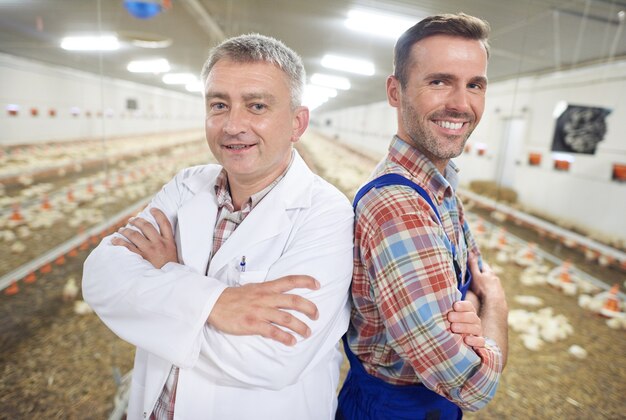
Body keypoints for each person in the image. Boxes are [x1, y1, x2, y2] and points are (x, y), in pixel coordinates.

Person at [82, 34, 356, 419]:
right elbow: (99, 277)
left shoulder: (325, 213)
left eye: (256, 105)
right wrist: (215, 303)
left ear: (297, 123)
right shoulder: (186, 186)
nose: (233, 125)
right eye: (219, 105)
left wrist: (164, 281)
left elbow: (273, 357)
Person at [337, 13, 509, 420]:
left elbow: (474, 277)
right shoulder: (399, 206)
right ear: (395, 91)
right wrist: (496, 306)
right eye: (439, 81)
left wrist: (473, 306)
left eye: (475, 85)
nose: (461, 103)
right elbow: (472, 384)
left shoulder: (439, 185)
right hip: (391, 409)